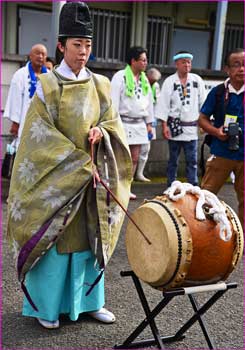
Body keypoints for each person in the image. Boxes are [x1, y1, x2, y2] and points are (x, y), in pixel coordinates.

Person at [7, 1, 132, 329]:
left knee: (90, 241)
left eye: (88, 45)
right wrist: (77, 164)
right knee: (55, 242)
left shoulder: (101, 85)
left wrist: (101, 133)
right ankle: (47, 308)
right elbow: (38, 138)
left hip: (91, 182)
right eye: (77, 45)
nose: (83, 52)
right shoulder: (47, 86)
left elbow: (112, 123)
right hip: (58, 183)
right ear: (61, 46)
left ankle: (91, 302)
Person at [199, 48, 244, 229]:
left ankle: (241, 239)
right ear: (227, 69)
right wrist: (216, 132)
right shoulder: (218, 92)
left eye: (244, 65)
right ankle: (201, 232)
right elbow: (201, 119)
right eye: (236, 65)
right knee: (205, 197)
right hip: (221, 153)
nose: (242, 69)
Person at [155, 51, 206, 187]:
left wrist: (203, 124)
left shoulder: (196, 80)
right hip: (174, 127)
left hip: (192, 127)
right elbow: (164, 104)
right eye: (183, 62)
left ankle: (193, 185)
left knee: (192, 160)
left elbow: (203, 103)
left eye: (189, 62)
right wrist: (164, 126)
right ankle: (171, 185)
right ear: (176, 64)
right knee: (173, 160)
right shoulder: (170, 81)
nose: (187, 65)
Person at [111, 46, 154, 198]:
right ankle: (117, 187)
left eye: (146, 60)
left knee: (134, 158)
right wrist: (113, 122)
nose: (145, 63)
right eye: (142, 60)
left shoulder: (144, 80)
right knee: (120, 158)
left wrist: (149, 124)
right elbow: (113, 101)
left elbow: (149, 103)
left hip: (139, 123)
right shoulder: (120, 76)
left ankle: (127, 187)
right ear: (133, 61)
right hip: (123, 122)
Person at [3, 44, 48, 149]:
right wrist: (16, 122)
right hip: (24, 121)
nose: (40, 56)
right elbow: (15, 100)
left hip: (44, 123)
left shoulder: (50, 76)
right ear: (30, 56)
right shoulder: (20, 75)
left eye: (43, 54)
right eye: (37, 53)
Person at [134, 67, 161, 182]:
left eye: (154, 81)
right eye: (151, 81)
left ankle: (139, 173)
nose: (152, 83)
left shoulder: (156, 87)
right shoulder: (139, 82)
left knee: (145, 148)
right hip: (136, 121)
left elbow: (156, 104)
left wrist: (152, 121)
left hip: (150, 121)